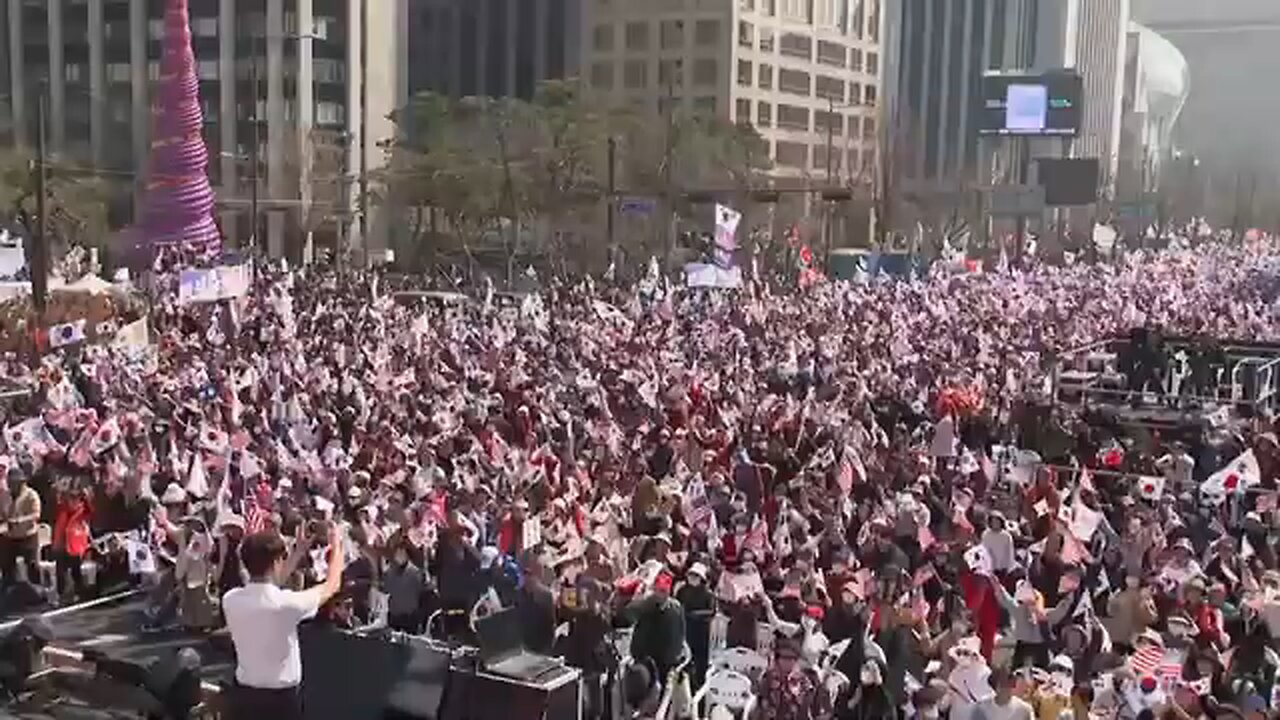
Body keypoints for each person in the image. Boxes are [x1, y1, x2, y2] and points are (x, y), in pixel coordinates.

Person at [221, 523, 344, 720]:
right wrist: (337, 546)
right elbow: (332, 585)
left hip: (244, 697)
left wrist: (297, 553)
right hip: (280, 703)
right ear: (277, 562)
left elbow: (267, 587)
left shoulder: (231, 599)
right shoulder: (287, 604)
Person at [1, 468, 41, 594]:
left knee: (32, 564)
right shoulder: (4, 495)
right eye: (9, 482)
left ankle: (37, 592)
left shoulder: (31, 495)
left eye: (13, 482)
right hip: (9, 535)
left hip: (28, 535)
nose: (10, 484)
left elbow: (36, 515)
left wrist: (20, 520)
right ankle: (8, 591)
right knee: (6, 563)